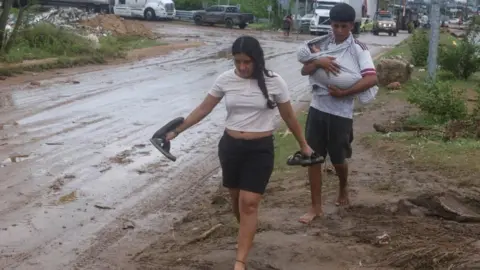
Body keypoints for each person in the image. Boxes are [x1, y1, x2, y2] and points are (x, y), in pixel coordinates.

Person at [165, 35, 313, 270]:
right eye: (237, 62)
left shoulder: (275, 82)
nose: (242, 67)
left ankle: (240, 261)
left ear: (257, 60)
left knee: (250, 202)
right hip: (231, 148)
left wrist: (303, 144)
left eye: (247, 62)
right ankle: (247, 230)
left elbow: (289, 117)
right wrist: (176, 131)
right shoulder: (225, 79)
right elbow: (204, 109)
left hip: (260, 149)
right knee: (236, 199)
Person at [298, 3, 378, 224]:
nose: (339, 30)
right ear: (330, 24)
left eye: (344, 26)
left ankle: (343, 186)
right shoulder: (321, 44)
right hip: (317, 108)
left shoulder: (358, 49)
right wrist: (318, 60)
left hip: (341, 113)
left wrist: (345, 92)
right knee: (313, 158)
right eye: (335, 26)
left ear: (352, 25)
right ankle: (316, 207)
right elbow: (304, 70)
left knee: (339, 159)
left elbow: (371, 78)